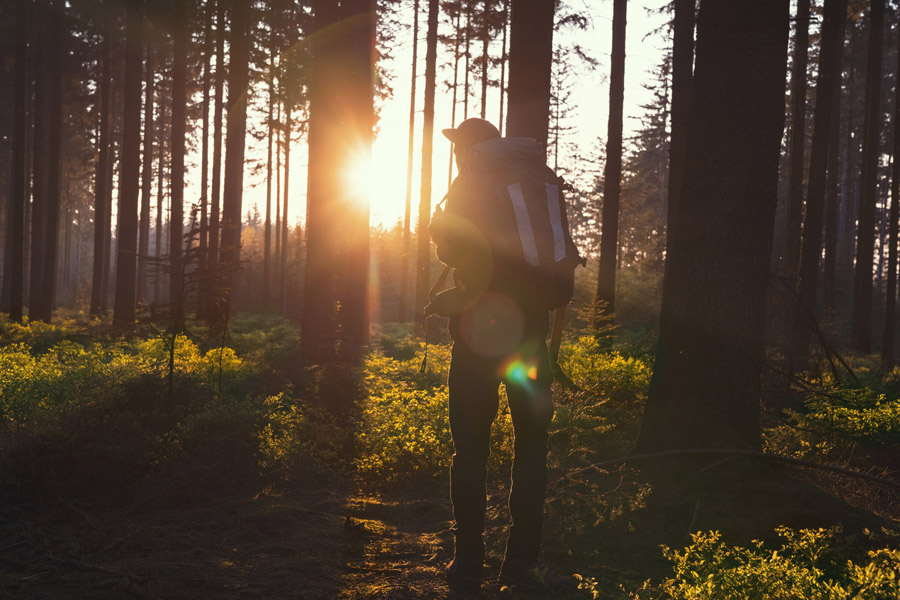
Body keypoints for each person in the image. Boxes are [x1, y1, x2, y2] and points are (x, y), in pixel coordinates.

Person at [427, 118, 571, 591]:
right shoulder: (540, 179)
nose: (454, 154)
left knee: (469, 450)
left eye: (457, 147)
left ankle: (468, 562)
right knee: (532, 449)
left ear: (470, 148)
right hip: (530, 335)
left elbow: (452, 247)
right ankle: (521, 564)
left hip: (477, 338)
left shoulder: (472, 181)